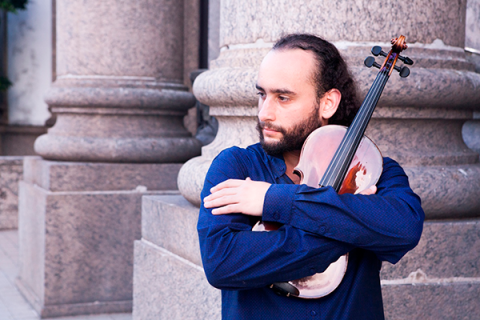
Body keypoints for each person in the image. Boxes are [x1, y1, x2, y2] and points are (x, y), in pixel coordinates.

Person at [198, 34, 424, 320]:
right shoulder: (236, 167)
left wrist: (273, 200)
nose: (265, 113)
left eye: (283, 97)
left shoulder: (371, 172)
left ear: (327, 103)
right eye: (262, 95)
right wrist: (353, 226)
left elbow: (404, 228)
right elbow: (222, 263)